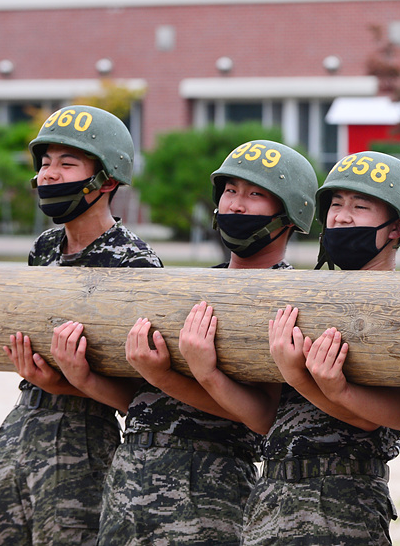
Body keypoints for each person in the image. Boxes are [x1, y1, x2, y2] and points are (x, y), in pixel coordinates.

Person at [0, 104, 162, 545]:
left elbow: (146, 394)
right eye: (44, 163)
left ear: (108, 180)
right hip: (22, 421)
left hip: (82, 436)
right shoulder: (45, 247)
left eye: (67, 163)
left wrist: (71, 384)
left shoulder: (136, 263)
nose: (48, 175)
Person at [183, 150, 400, 545]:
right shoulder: (305, 294)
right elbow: (268, 421)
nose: (342, 217)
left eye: (360, 206)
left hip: (342, 499)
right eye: (335, 204)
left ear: (397, 226)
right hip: (272, 490)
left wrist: (318, 382)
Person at [99, 139, 314, 544]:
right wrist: (84, 376)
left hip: (205, 486)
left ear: (288, 215)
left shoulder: (290, 296)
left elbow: (263, 417)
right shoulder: (191, 287)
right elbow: (143, 403)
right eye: (230, 191)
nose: (235, 205)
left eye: (254, 195)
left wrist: (195, 374)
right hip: (130, 474)